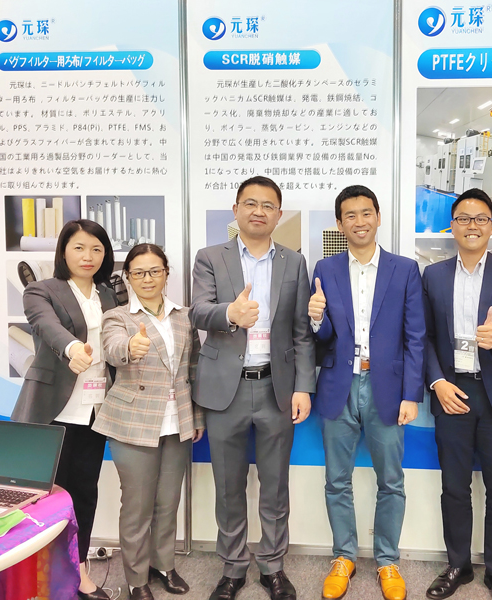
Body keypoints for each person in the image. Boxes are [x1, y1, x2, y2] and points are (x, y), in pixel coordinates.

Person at [190, 176, 316, 600]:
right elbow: (198, 311)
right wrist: (230, 313)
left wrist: (303, 386)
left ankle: (273, 567)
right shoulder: (210, 257)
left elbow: (301, 331)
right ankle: (232, 568)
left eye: (267, 205)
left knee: (275, 485)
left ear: (278, 214)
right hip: (224, 389)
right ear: (236, 210)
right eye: (250, 203)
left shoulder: (294, 262)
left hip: (276, 389)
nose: (258, 211)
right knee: (229, 486)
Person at [308, 185, 425, 600]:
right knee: (336, 480)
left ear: (378, 217)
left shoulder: (404, 269)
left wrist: (411, 394)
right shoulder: (325, 269)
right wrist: (317, 318)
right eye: (350, 215)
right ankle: (344, 556)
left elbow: (415, 336)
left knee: (390, 480)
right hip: (338, 385)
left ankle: (388, 561)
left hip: (386, 388)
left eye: (366, 213)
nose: (359, 222)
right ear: (340, 224)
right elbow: (322, 338)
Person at [422, 188, 492, 600]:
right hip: (452, 392)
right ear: (452, 226)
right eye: (464, 219)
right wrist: (437, 382)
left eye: (481, 218)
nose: (472, 225)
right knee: (454, 487)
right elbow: (424, 337)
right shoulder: (433, 275)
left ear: (491, 224)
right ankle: (458, 565)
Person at [11, 219, 118, 600]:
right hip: (51, 412)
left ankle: (80, 570)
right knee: (42, 498)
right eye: (79, 247)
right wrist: (73, 348)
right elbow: (46, 326)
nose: (88, 256)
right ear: (63, 251)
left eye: (97, 249)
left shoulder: (110, 295)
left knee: (84, 493)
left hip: (95, 411)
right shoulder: (42, 290)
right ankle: (38, 578)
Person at [93, 244, 204, 600]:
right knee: (137, 506)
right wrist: (130, 347)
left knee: (168, 503)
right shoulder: (118, 317)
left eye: (155, 270)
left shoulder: (185, 316)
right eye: (139, 272)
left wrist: (196, 416)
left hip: (177, 421)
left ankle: (163, 565)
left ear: (167, 273)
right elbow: (113, 348)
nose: (148, 278)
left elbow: (194, 368)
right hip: (133, 422)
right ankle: (137, 578)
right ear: (128, 277)